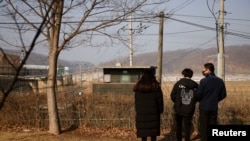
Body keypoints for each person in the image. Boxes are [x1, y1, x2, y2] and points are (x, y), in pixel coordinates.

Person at [196, 63, 227, 141]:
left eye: (204, 69)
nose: (203, 70)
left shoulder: (203, 81)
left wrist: (200, 100)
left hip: (204, 107)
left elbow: (198, 94)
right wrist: (215, 99)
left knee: (204, 126)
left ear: (208, 70)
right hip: (214, 107)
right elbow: (223, 94)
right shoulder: (220, 81)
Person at [133, 69, 164, 141]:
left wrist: (138, 111)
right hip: (154, 114)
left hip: (141, 114)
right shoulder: (156, 87)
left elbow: (136, 102)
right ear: (153, 76)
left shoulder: (138, 88)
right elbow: (160, 101)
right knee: (153, 134)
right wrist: (160, 110)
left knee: (143, 133)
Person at [170, 68, 199, 141]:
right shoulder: (195, 85)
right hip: (189, 108)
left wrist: (176, 102)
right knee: (187, 126)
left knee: (178, 126)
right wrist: (193, 102)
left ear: (183, 74)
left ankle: (179, 139)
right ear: (191, 75)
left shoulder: (178, 84)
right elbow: (198, 96)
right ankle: (187, 139)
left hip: (178, 108)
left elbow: (172, 95)